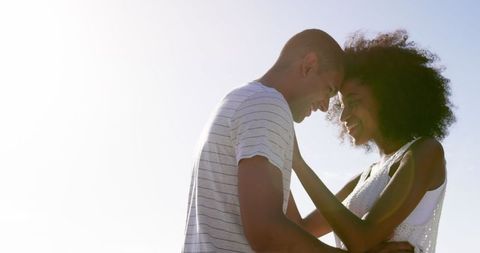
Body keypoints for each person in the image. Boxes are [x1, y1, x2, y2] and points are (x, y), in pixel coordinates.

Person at [183, 29, 414, 253]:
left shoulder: (242, 99)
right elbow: (267, 233)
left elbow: (294, 228)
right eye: (329, 89)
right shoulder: (268, 106)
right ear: (309, 65)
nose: (325, 107)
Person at [292, 30, 455, 253]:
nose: (343, 116)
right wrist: (279, 152)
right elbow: (299, 230)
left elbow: (361, 240)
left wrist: (298, 164)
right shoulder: (363, 178)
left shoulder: (425, 152)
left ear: (387, 96)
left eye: (353, 102)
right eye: (341, 105)